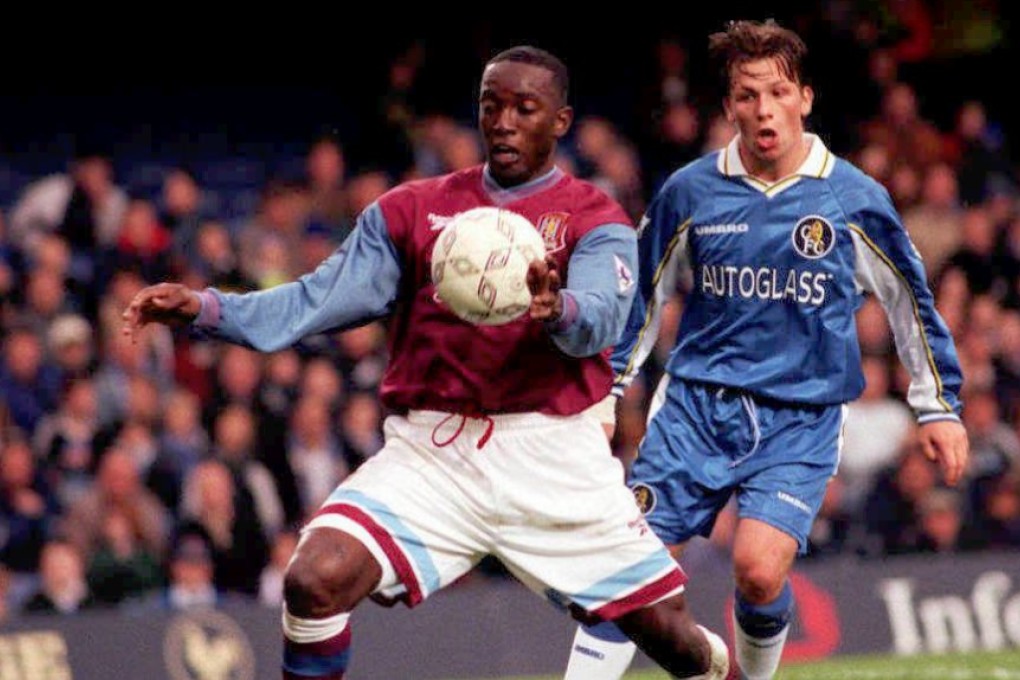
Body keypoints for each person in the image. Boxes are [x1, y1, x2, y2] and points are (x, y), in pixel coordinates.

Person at [122, 46, 730, 680]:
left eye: (525, 108)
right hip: (432, 455)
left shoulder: (594, 218)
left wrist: (559, 309)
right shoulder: (412, 210)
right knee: (313, 578)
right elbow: (313, 301)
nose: (503, 121)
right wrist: (204, 308)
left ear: (561, 121)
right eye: (491, 105)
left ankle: (720, 668)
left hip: (553, 455)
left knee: (669, 638)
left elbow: (603, 318)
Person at [563, 19, 969, 680]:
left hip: (800, 417)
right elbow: (643, 295)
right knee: (627, 570)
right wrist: (606, 391)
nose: (763, 109)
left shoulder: (853, 199)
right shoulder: (690, 192)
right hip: (696, 407)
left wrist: (939, 406)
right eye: (747, 95)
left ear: (804, 98)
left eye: (776, 92)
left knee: (756, 571)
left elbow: (910, 303)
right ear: (729, 108)